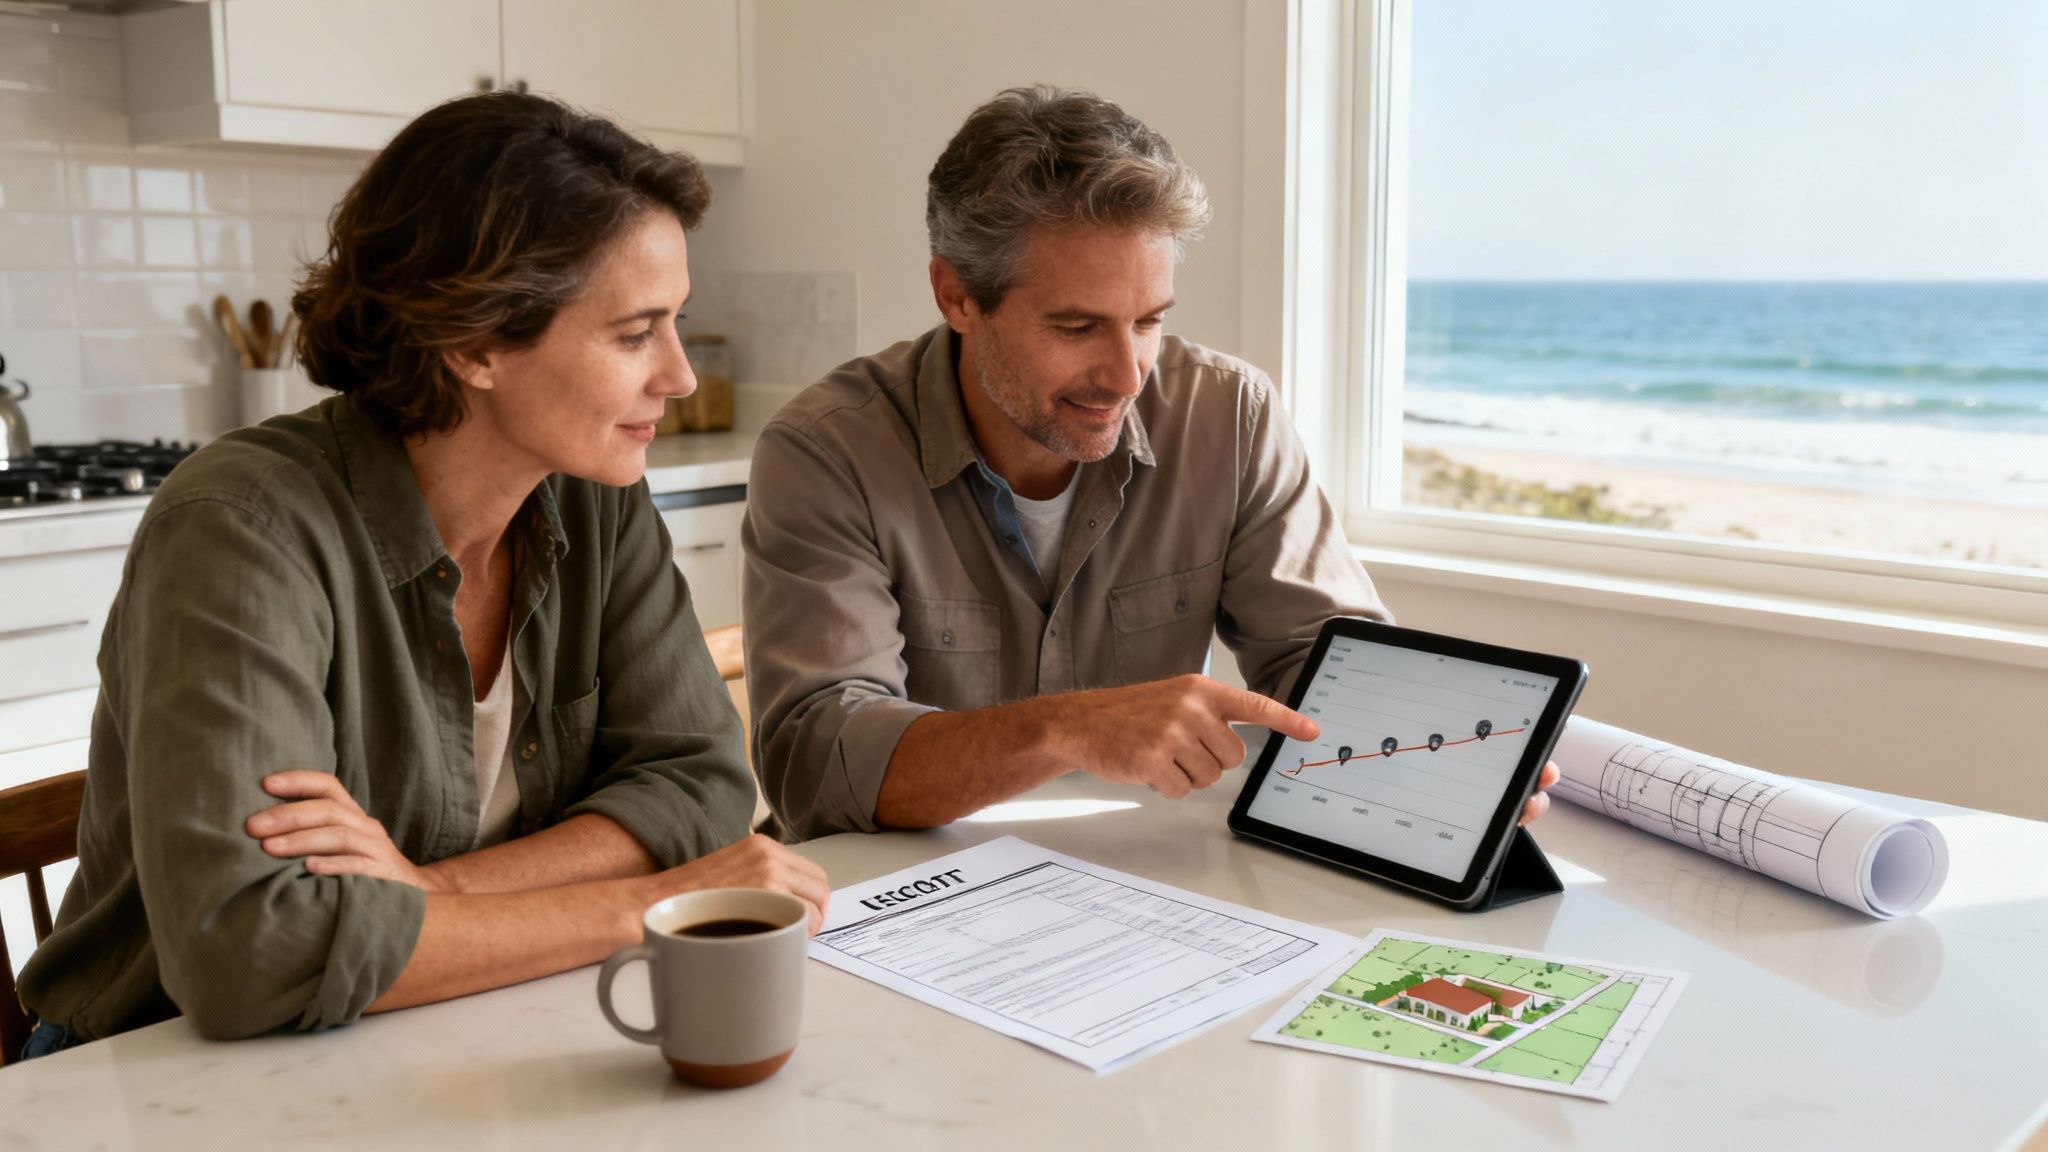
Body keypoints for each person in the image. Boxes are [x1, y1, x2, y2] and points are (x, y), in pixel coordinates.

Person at [16, 92, 828, 1058]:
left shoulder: (591, 494)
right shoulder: (239, 528)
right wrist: (649, 902)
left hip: (445, 1024)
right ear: (476, 342)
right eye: (633, 334)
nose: (681, 376)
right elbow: (250, 954)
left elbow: (699, 785)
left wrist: (427, 892)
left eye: (676, 324)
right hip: (155, 1073)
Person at [743, 85, 1558, 840]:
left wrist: (1433, 752)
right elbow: (816, 766)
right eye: (1076, 327)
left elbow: (1322, 663)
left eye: (1149, 321)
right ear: (957, 295)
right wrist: (1066, 727)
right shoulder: (827, 450)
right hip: (887, 900)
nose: (1128, 375)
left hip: (1131, 876)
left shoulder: (1228, 416)